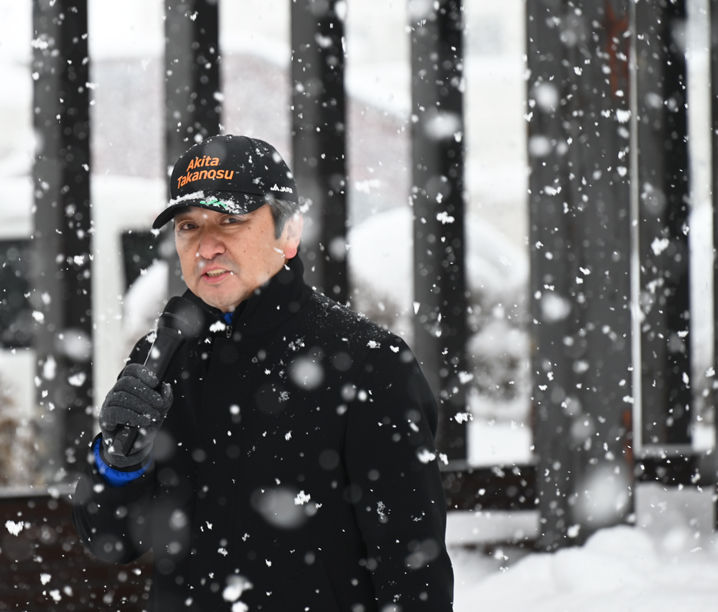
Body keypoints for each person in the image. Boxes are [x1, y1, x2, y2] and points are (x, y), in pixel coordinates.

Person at [73, 135, 454, 611]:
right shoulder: (162, 357)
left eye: (231, 221)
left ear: (289, 233)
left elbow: (412, 563)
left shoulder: (366, 362)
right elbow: (110, 539)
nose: (207, 246)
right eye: (189, 226)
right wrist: (118, 464)